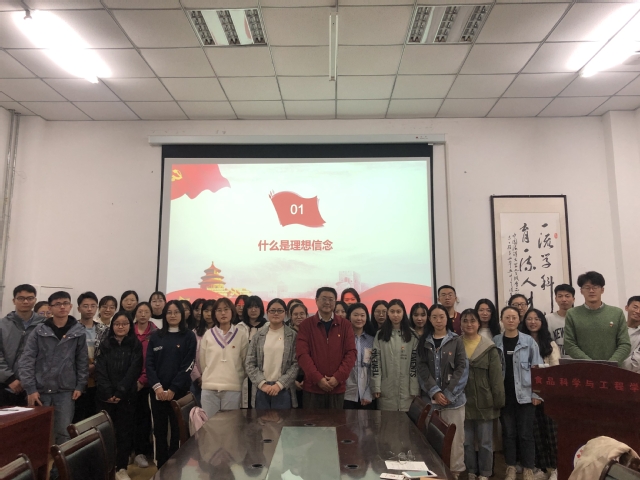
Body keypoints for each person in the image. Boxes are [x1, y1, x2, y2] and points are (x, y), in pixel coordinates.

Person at [19, 291, 89, 444]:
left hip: (65, 391)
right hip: (40, 390)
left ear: (70, 306)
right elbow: (26, 360)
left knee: (63, 433)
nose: (62, 307)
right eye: (57, 304)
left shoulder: (78, 332)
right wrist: (30, 388)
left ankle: (59, 461)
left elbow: (82, 361)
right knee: (37, 433)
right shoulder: (39, 330)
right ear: (50, 308)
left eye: (65, 303)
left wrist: (80, 385)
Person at [417, 303, 468, 477]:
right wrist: (435, 392)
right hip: (431, 401)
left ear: (448, 319)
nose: (438, 320)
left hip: (454, 402)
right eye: (434, 317)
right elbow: (421, 369)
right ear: (429, 320)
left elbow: (462, 368)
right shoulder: (424, 341)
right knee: (431, 439)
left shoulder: (456, 340)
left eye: (441, 317)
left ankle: (454, 475)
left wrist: (447, 394)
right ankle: (434, 475)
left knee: (455, 441)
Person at [493, 306, 543, 480]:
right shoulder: (496, 341)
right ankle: (511, 467)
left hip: (526, 396)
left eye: (514, 317)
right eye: (507, 317)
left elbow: (537, 369)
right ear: (502, 319)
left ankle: (528, 468)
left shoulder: (528, 341)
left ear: (519, 320)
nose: (511, 320)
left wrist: (537, 394)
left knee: (526, 434)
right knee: (508, 434)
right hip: (504, 397)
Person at [146, 300, 196, 468]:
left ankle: (176, 467)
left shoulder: (189, 336)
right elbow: (149, 364)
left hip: (179, 392)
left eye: (176, 312)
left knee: (177, 431)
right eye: (169, 312)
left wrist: (173, 388)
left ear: (182, 314)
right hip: (158, 392)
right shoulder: (156, 336)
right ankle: (161, 467)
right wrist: (158, 388)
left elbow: (188, 364)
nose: (172, 315)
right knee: (159, 431)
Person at [95, 311, 143, 480]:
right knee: (106, 433)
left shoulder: (135, 345)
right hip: (105, 397)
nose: (120, 327)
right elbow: (100, 369)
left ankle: (121, 468)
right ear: (112, 326)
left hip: (126, 397)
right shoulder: (105, 344)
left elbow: (134, 370)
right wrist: (108, 392)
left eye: (124, 323)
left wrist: (120, 391)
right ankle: (107, 468)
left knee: (124, 433)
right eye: (117, 324)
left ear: (130, 325)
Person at [461, 309, 504, 480]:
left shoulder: (489, 347)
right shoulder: (456, 344)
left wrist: (498, 401)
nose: (469, 324)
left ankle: (485, 472)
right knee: (466, 441)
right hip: (462, 400)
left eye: (472, 320)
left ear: (479, 323)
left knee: (486, 442)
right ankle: (471, 470)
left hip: (485, 401)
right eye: (465, 321)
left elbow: (496, 377)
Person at [296, 287, 356, 409]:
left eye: (331, 299)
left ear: (335, 302)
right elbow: (302, 354)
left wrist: (337, 378)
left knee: (336, 421)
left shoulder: (345, 325)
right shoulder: (306, 325)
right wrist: (318, 379)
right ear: (316, 300)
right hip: (312, 388)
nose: (327, 302)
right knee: (311, 421)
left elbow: (351, 353)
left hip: (337, 388)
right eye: (324, 299)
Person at [520, 308, 560, 480]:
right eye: (529, 319)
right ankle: (541, 468)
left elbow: (554, 369)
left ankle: (556, 468)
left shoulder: (550, 344)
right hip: (527, 394)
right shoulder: (520, 343)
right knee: (535, 432)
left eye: (536, 319)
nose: (533, 322)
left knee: (552, 433)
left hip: (548, 394)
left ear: (542, 322)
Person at [564, 271, 630, 366]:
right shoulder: (572, 314)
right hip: (584, 369)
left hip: (613, 370)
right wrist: (592, 365)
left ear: (602, 290)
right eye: (587, 287)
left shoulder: (617, 313)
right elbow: (569, 344)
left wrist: (610, 364)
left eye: (595, 287)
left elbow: (625, 344)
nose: (591, 291)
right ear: (581, 291)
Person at [245, 298, 299, 409]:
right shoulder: (258, 336)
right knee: (261, 420)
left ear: (286, 313)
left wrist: (279, 385)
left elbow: (296, 364)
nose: (276, 313)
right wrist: (262, 384)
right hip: (261, 389)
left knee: (284, 420)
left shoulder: (293, 336)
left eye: (280, 310)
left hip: (284, 389)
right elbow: (249, 363)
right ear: (267, 312)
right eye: (272, 310)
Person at [199, 298, 248, 417]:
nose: (223, 313)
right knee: (209, 424)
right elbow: (203, 362)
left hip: (232, 388)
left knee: (229, 424)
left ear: (232, 312)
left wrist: (236, 379)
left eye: (226, 309)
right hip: (209, 388)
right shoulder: (208, 334)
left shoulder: (241, 335)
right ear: (214, 314)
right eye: (219, 310)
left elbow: (245, 362)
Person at [0, 284, 45, 406]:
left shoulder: (44, 326)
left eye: (30, 298)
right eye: (21, 298)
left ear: (35, 300)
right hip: (5, 385)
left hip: (35, 388)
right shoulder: (2, 325)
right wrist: (9, 379)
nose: (25, 301)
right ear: (14, 300)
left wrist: (31, 382)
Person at [371, 299, 419, 412]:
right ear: (388, 313)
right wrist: (376, 386)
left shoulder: (412, 335)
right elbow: (375, 362)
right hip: (386, 390)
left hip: (407, 392)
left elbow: (414, 364)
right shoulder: (380, 335)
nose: (395, 315)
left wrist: (414, 389)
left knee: (406, 422)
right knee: (387, 421)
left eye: (398, 311)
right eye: (392, 311)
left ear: (403, 313)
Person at [73, 291, 109, 422]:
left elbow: (107, 353)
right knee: (77, 416)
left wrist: (95, 366)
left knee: (94, 415)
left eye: (93, 306)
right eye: (85, 306)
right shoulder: (72, 328)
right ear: (78, 308)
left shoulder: (104, 329)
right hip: (76, 378)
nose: (89, 309)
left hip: (97, 377)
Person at [131, 302, 156, 469]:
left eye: (146, 311)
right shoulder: (128, 330)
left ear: (150, 314)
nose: (142, 314)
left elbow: (153, 360)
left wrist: (142, 380)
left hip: (146, 384)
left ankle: (140, 452)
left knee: (143, 419)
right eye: (140, 311)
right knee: (127, 419)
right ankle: (127, 451)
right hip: (128, 382)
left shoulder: (156, 333)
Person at [344, 303, 375, 410]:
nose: (359, 318)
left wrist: (369, 392)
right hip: (347, 393)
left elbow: (374, 368)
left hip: (367, 393)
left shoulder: (372, 340)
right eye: (356, 315)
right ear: (349, 317)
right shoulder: (343, 339)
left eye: (362, 315)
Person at [238, 296, 266, 408]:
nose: (253, 310)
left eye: (256, 307)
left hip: (262, 373)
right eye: (250, 307)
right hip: (243, 373)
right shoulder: (239, 327)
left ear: (261, 309)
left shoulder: (268, 327)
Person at [190, 299, 214, 404]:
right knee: (196, 410)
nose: (209, 314)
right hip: (196, 380)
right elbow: (190, 357)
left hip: (215, 379)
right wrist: (198, 377)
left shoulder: (222, 333)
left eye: (211, 311)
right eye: (206, 311)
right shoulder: (194, 333)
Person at [545, 284, 575, 357]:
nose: (564, 299)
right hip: (556, 361)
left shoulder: (580, 318)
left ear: (573, 299)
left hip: (578, 361)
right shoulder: (548, 319)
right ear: (556, 299)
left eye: (567, 296)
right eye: (560, 296)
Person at [289, 302, 308, 407]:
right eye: (295, 314)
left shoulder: (312, 333)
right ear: (290, 316)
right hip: (290, 378)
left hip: (309, 377)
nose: (299, 317)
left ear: (306, 315)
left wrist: (307, 379)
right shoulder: (287, 334)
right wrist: (292, 381)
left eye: (302, 314)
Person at [624, 296, 640, 372]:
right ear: (626, 308)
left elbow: (636, 361)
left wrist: (613, 366)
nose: (638, 311)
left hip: (633, 375)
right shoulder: (616, 328)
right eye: (635, 307)